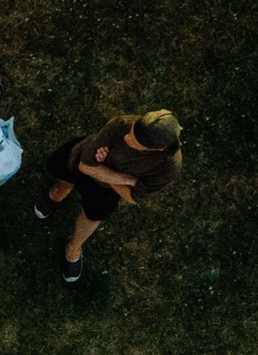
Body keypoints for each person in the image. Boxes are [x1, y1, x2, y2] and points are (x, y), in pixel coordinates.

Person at [34, 109, 185, 283]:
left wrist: (102, 171)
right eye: (131, 132)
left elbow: (133, 197)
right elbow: (85, 165)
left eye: (135, 141)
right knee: (65, 169)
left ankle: (74, 248)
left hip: (105, 191)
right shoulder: (122, 123)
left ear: (158, 149)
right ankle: (60, 193)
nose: (127, 138)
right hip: (80, 158)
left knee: (93, 215)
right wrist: (125, 179)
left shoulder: (168, 168)